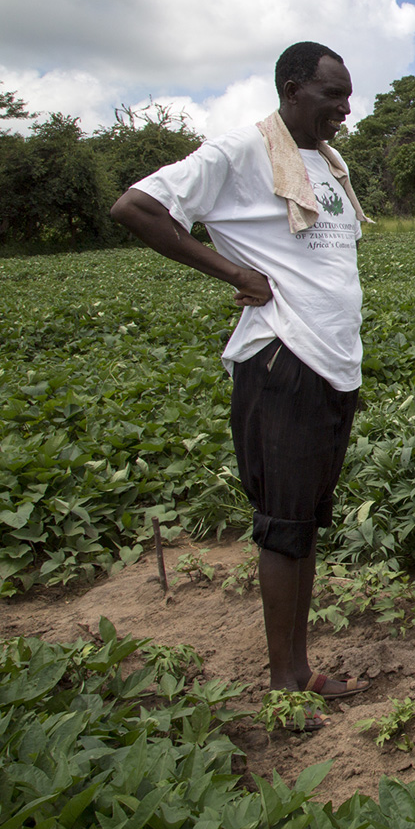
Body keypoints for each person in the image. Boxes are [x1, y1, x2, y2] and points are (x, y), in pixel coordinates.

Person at [111, 42, 372, 729]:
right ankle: (284, 684)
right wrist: (233, 274)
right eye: (332, 96)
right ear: (292, 89)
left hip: (330, 365)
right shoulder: (241, 151)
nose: (345, 109)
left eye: (348, 96)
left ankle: (300, 666)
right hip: (282, 362)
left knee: (304, 526)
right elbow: (137, 208)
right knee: (283, 527)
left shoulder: (324, 162)